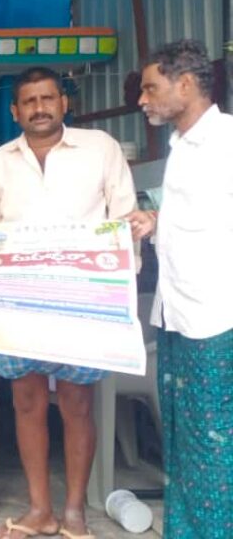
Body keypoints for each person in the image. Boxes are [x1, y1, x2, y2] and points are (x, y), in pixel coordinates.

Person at [0, 67, 136, 539]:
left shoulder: (100, 148)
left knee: (77, 404)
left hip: (82, 299)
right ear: (15, 111)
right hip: (17, 300)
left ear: (64, 103)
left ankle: (74, 512)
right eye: (30, 101)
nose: (40, 108)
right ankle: (41, 510)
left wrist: (118, 291)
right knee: (27, 402)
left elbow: (124, 221)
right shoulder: (0, 160)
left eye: (48, 98)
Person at [126, 40, 233, 537]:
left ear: (185, 84)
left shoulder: (226, 142)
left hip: (215, 318)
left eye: (151, 88)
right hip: (177, 315)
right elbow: (198, 217)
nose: (142, 100)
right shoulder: (181, 147)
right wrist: (155, 222)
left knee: (214, 441)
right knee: (183, 439)